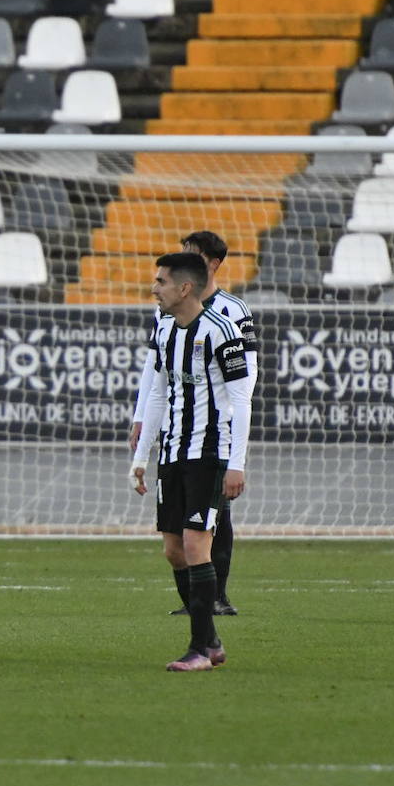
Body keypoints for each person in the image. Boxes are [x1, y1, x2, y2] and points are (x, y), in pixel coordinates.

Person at [129, 252, 251, 672]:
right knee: (173, 550)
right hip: (173, 453)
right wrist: (142, 455)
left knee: (197, 544)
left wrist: (237, 463)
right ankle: (210, 641)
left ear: (184, 288)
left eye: (161, 281)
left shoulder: (222, 331)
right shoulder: (165, 332)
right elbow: (160, 394)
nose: (154, 288)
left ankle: (200, 648)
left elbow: (241, 400)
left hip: (210, 454)